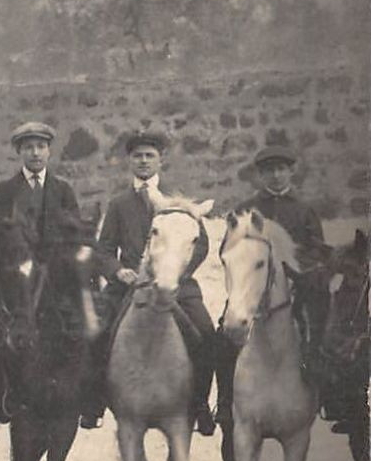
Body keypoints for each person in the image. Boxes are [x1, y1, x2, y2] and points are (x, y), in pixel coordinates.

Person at [84, 128, 217, 435]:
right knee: (98, 332)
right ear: (129, 161)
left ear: (161, 160)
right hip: (131, 285)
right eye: (138, 156)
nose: (143, 161)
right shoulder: (118, 204)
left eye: (150, 156)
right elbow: (103, 250)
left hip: (177, 285)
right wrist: (118, 271)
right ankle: (95, 402)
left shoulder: (178, 198)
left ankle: (200, 404)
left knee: (207, 336)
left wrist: (176, 273)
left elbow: (201, 244)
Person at [223, 145, 329, 416]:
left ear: (291, 171)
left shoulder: (304, 210)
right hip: (253, 284)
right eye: (269, 170)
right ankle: (225, 400)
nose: (276, 175)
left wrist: (296, 271)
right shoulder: (246, 209)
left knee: (319, 319)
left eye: (281, 169)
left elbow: (317, 248)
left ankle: (322, 385)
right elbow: (229, 249)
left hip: (297, 284)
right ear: (260, 175)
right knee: (223, 335)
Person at [0, 121, 80, 251]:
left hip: (56, 265)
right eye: (29, 147)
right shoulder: (6, 190)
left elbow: (74, 233)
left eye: (41, 147)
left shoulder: (63, 190)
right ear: (20, 152)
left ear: (48, 151)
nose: (35, 153)